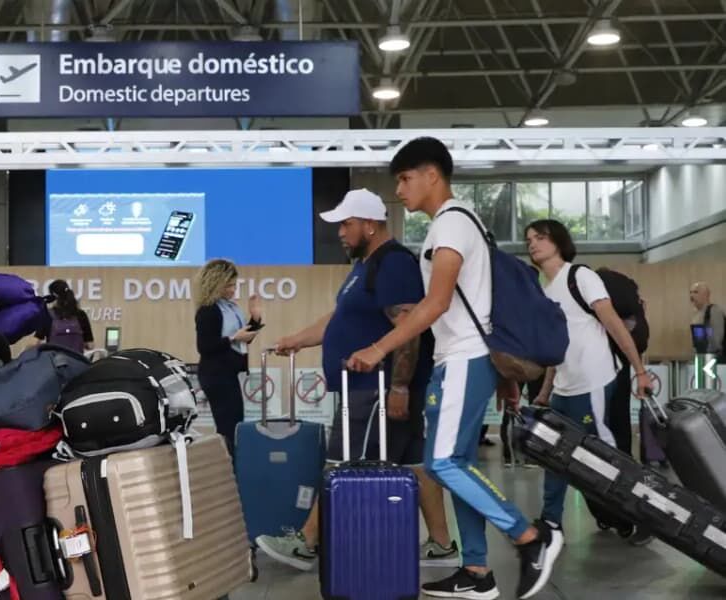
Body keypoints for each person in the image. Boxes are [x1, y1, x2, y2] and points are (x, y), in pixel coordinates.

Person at [348, 137, 560, 600]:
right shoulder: (458, 224)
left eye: (405, 179)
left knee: (442, 462)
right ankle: (478, 570)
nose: (399, 190)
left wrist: (380, 347)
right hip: (461, 358)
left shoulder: (451, 224)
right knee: (455, 463)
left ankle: (530, 536)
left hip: (464, 357)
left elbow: (437, 303)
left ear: (432, 176)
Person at [254, 189, 458, 572]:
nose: (340, 233)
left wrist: (398, 387)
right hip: (374, 390)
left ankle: (307, 542)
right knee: (416, 465)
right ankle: (443, 546)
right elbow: (338, 319)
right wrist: (297, 339)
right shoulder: (365, 266)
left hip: (373, 390)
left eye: (346, 224)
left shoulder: (392, 263)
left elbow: (409, 327)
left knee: (343, 465)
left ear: (370, 224)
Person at [524, 219, 654, 546]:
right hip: (565, 388)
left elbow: (614, 326)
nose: (533, 244)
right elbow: (558, 347)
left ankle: (640, 516)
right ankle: (551, 522)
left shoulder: (581, 277)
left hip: (594, 381)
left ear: (559, 241)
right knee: (554, 453)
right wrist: (544, 391)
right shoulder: (544, 290)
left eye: (540, 237)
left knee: (605, 456)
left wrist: (639, 371)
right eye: (528, 240)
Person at [194, 259, 262, 453]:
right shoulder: (208, 311)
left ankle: (232, 466)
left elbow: (243, 339)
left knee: (234, 424)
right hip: (215, 375)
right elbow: (205, 346)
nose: (233, 289)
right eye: (229, 285)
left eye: (234, 284)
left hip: (227, 374)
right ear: (216, 284)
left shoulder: (231, 309)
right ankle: (228, 469)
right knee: (228, 427)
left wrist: (255, 319)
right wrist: (233, 337)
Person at [35, 279, 94, 353]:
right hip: (77, 362)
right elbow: (90, 345)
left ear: (53, 295)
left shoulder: (47, 315)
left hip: (54, 362)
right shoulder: (81, 314)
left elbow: (35, 342)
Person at [690, 282, 725, 357]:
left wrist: (706, 355)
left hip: (716, 361)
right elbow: (699, 340)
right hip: (703, 357)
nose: (692, 295)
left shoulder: (714, 311)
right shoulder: (697, 315)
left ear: (706, 295)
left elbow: (716, 342)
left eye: (696, 292)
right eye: (691, 292)